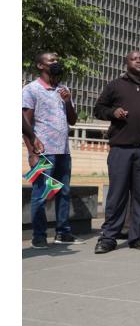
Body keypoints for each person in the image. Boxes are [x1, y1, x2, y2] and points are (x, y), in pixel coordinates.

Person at [93, 51, 140, 253]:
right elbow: (98, 109)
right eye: (135, 58)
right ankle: (108, 238)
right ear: (127, 63)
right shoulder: (116, 85)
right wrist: (113, 112)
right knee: (117, 195)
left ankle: (137, 236)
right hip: (121, 149)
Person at [22, 52, 83, 249]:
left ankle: (63, 233)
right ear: (40, 66)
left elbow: (72, 120)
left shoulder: (63, 89)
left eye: (57, 60)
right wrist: (31, 152)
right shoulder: (31, 90)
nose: (56, 63)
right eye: (51, 61)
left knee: (63, 192)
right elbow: (25, 122)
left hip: (63, 151)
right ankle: (39, 236)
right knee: (41, 194)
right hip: (43, 152)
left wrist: (67, 101)